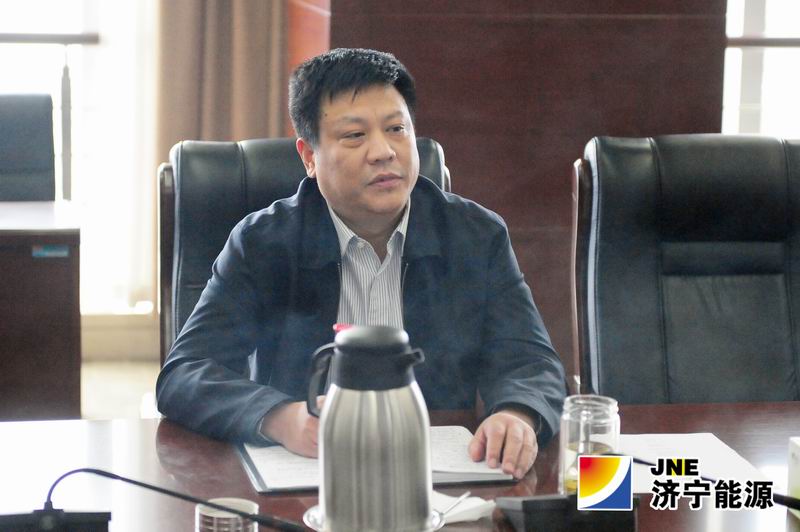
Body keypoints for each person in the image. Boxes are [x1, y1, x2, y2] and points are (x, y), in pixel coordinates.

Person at [156, 48, 566, 479]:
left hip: (439, 480)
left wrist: (517, 414)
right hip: (307, 476)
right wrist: (282, 418)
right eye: (354, 135)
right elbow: (186, 373)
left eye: (396, 129)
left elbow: (531, 362)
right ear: (309, 157)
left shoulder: (474, 236)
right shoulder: (264, 242)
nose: (383, 152)